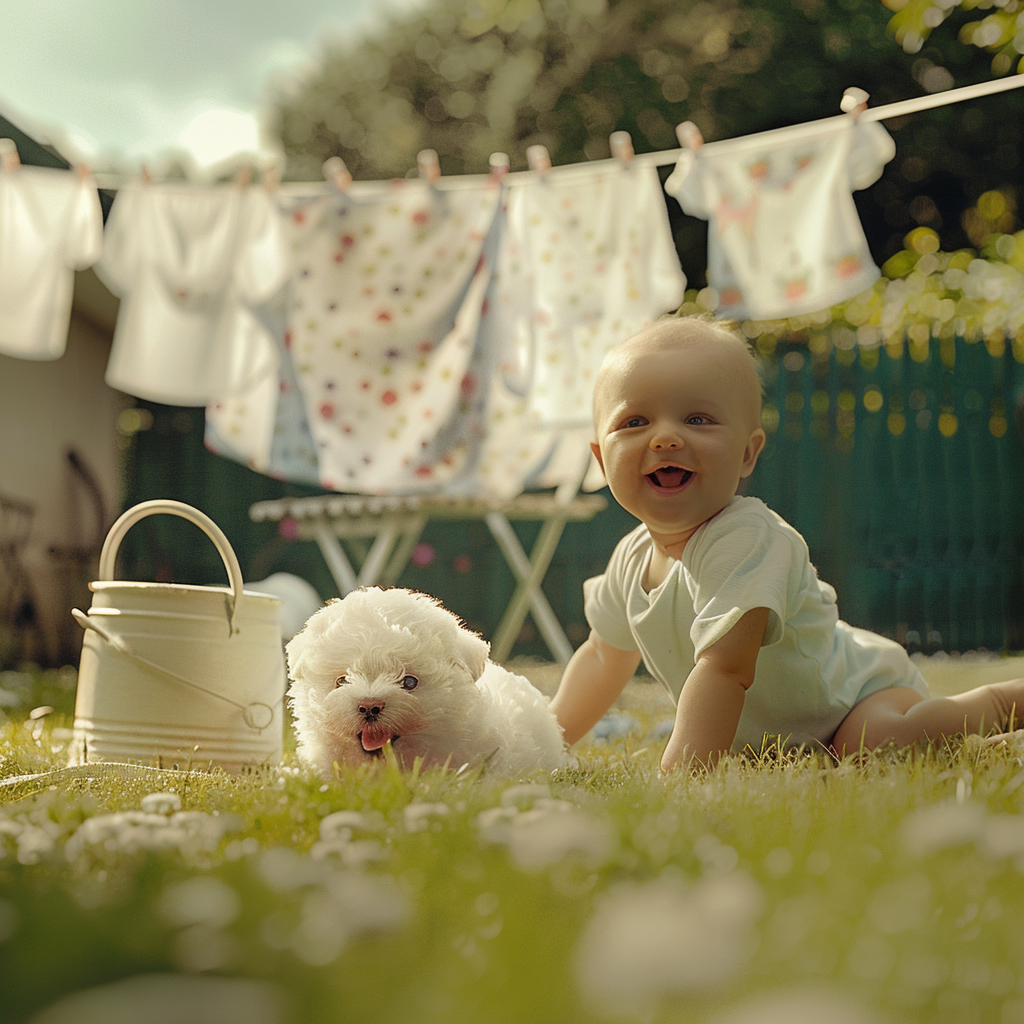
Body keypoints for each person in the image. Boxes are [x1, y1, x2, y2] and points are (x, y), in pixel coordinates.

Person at [549, 314, 1024, 770]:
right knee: (865, 759)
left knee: (873, 746)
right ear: (600, 457)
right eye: (635, 423)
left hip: (852, 699)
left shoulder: (747, 540)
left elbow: (725, 668)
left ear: (747, 452)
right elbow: (604, 658)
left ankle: (1006, 701)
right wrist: (546, 743)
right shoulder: (631, 560)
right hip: (790, 739)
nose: (666, 438)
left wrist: (683, 775)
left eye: (697, 419)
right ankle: (991, 750)